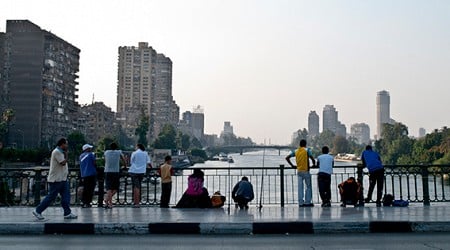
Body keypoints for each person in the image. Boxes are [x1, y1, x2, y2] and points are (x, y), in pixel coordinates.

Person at [32, 138, 77, 220]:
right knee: (51, 196)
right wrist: (67, 155)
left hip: (62, 179)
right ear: (62, 144)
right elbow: (63, 163)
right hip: (56, 179)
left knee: (66, 196)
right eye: (66, 144)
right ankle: (38, 211)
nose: (67, 146)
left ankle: (67, 213)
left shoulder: (61, 152)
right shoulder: (57, 152)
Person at [285, 139, 316, 207]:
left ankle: (300, 203)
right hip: (306, 171)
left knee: (300, 187)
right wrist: (313, 164)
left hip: (299, 171)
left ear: (300, 144)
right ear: (305, 144)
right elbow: (312, 159)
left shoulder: (296, 151)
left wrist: (292, 165)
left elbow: (287, 158)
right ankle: (307, 202)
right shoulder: (307, 150)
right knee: (308, 187)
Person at [129, 143, 152, 208]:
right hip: (142, 172)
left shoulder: (134, 153)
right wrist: (151, 167)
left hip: (134, 171)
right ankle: (136, 202)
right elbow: (148, 163)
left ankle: (136, 203)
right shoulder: (145, 153)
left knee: (136, 187)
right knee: (138, 186)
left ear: (138, 147)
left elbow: (131, 162)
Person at [104, 142, 126, 209]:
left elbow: (105, 160)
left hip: (107, 171)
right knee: (115, 188)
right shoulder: (119, 152)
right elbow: (123, 159)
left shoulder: (106, 152)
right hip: (116, 172)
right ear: (116, 147)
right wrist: (125, 165)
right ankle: (109, 203)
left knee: (109, 188)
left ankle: (107, 201)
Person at [79, 144, 96, 208]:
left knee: (85, 189)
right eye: (89, 148)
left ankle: (83, 201)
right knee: (90, 189)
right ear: (87, 149)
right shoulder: (91, 154)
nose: (90, 149)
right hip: (91, 174)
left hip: (83, 174)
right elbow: (94, 163)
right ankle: (88, 202)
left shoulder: (81, 156)